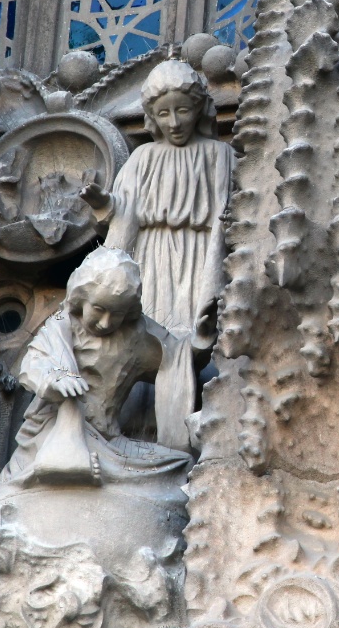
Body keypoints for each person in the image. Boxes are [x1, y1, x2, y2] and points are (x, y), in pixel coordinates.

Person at [81, 59, 234, 451]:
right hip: (150, 259)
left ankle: (181, 438)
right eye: (164, 114)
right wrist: (105, 204)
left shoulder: (220, 156)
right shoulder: (143, 158)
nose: (175, 122)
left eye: (183, 110)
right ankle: (130, 436)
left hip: (199, 259)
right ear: (151, 116)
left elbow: (228, 216)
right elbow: (126, 211)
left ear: (200, 108)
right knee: (144, 339)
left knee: (189, 342)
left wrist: (213, 282)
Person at [0, 247, 197, 492]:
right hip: (59, 432)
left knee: (180, 462)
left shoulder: (136, 334)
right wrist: (55, 380)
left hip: (111, 441)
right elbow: (32, 364)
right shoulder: (60, 325)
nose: (106, 322)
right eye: (98, 309)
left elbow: (176, 357)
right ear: (81, 296)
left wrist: (201, 340)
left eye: (116, 314)